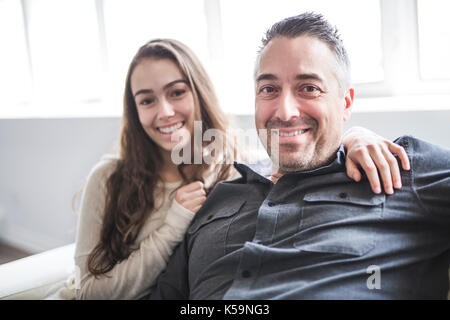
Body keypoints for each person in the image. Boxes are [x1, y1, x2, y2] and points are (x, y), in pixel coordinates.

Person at [70, 38, 407, 300]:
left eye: (176, 92)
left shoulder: (233, 168)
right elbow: (87, 292)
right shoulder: (109, 178)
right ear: (134, 109)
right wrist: (173, 223)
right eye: (146, 100)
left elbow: (294, 157)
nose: (164, 111)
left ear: (199, 94)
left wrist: (354, 136)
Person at [147, 13, 450, 300]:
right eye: (269, 89)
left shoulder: (399, 167)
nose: (285, 112)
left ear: (346, 104)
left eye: (308, 88)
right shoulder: (218, 196)